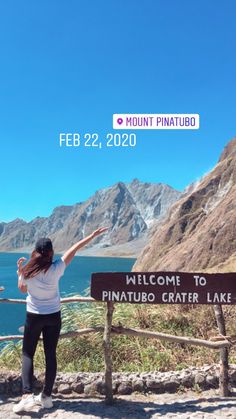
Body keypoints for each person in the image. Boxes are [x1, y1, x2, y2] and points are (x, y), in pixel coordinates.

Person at [13, 227, 107, 413]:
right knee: (50, 354)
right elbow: (75, 248)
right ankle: (46, 397)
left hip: (33, 316)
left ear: (35, 252)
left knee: (27, 354)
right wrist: (92, 235)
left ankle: (26, 396)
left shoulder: (28, 271)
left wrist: (19, 273)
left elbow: (22, 290)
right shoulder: (57, 267)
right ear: (51, 253)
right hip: (53, 316)